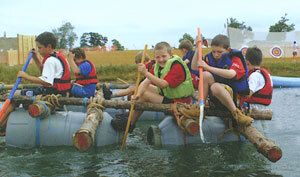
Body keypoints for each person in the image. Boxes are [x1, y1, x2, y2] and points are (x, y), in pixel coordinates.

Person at [111, 41, 194, 132]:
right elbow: (145, 83)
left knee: (146, 95)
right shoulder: (157, 66)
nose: (161, 59)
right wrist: (137, 95)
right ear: (155, 57)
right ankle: (130, 117)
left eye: (164, 56)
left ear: (170, 54)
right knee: (142, 90)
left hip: (180, 102)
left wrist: (145, 73)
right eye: (158, 57)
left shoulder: (176, 65)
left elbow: (164, 84)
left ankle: (130, 122)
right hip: (170, 96)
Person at [191, 34, 253, 126]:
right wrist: (197, 48)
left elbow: (231, 74)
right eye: (213, 51)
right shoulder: (211, 58)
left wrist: (208, 67)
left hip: (235, 99)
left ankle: (237, 114)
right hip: (216, 98)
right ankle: (200, 108)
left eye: (219, 52)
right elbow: (194, 67)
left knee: (215, 86)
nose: (216, 55)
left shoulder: (235, 58)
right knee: (205, 75)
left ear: (228, 50)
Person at [17, 32, 71, 96]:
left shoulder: (50, 60)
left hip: (52, 92)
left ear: (49, 47)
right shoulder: (58, 56)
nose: (38, 50)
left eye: (40, 48)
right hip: (62, 91)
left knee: (16, 95)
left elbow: (47, 82)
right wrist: (35, 57)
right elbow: (44, 71)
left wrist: (27, 77)